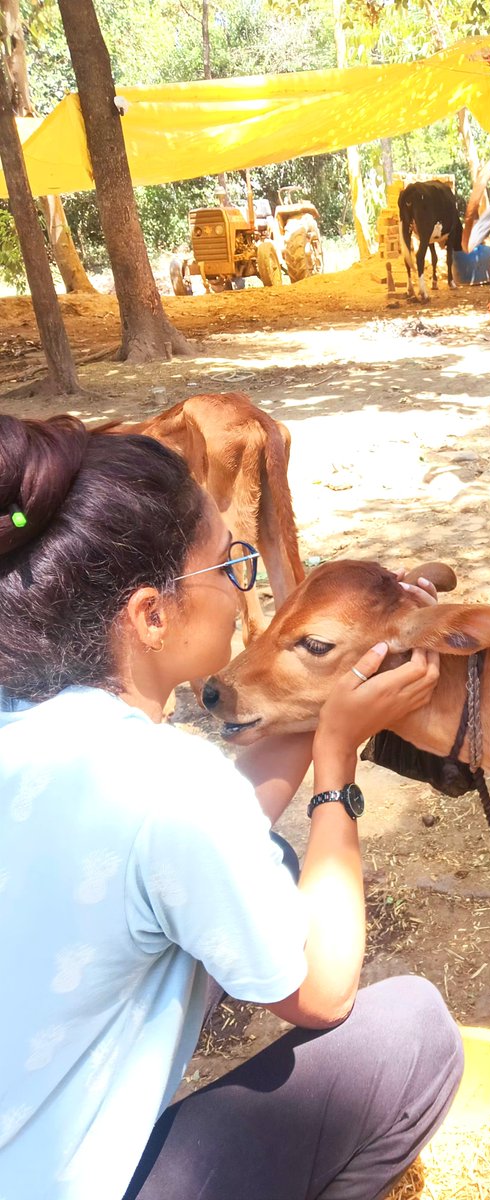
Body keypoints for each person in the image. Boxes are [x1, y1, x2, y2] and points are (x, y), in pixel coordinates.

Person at [0, 413, 464, 1200]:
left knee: (270, 860)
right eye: (229, 566)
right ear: (152, 614)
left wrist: (344, 671)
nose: (242, 586)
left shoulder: (33, 713)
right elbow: (324, 995)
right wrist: (336, 770)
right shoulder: (168, 786)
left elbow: (212, 821)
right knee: (417, 1032)